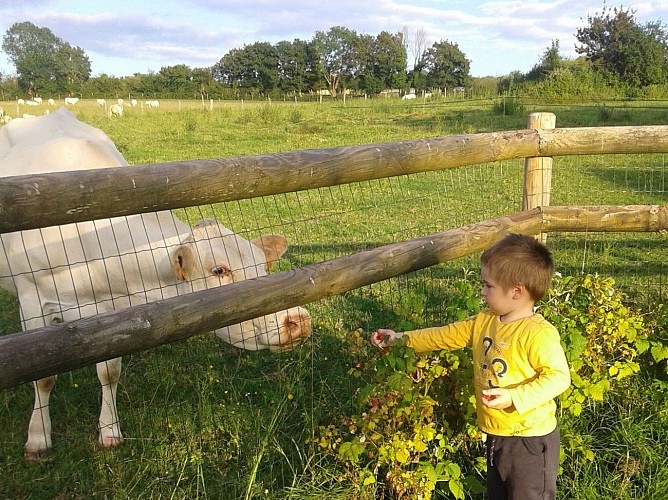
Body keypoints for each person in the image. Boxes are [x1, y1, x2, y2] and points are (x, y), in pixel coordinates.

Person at [370, 233, 571, 500]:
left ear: (516, 291)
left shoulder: (537, 334)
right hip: (496, 432)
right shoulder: (485, 321)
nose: (482, 291)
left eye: (488, 286)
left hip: (529, 441)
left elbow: (558, 378)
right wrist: (400, 339)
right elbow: (442, 335)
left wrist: (514, 396)